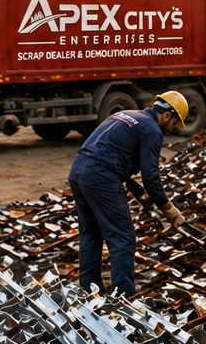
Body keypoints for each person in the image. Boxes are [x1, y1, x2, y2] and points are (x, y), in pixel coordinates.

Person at [68, 92, 187, 297]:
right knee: (123, 238)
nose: (171, 129)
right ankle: (124, 298)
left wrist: (139, 193)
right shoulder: (151, 129)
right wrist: (168, 209)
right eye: (174, 123)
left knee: (91, 234)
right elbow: (151, 176)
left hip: (79, 172)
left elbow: (113, 151)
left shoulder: (126, 114)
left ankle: (89, 292)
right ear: (168, 115)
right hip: (101, 177)